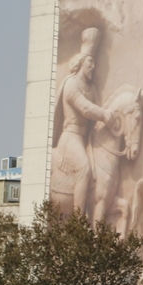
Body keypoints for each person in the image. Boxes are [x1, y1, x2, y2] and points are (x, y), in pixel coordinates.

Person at [51, 27, 116, 215]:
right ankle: (79, 222)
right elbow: (86, 108)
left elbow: (95, 115)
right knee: (85, 170)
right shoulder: (71, 84)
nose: (93, 66)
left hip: (86, 138)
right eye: (90, 61)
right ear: (81, 62)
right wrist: (104, 114)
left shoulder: (92, 89)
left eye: (94, 62)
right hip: (70, 138)